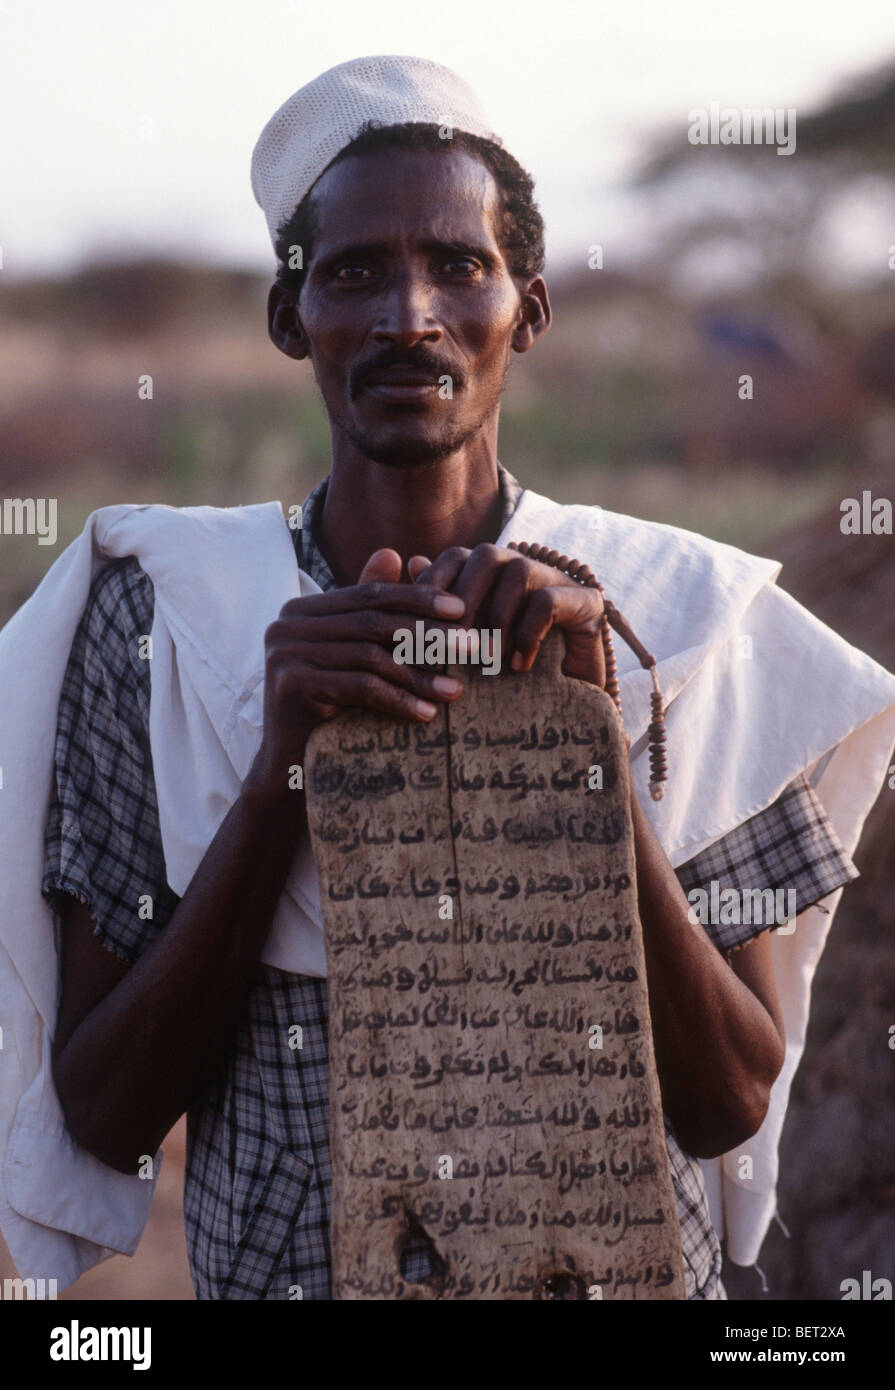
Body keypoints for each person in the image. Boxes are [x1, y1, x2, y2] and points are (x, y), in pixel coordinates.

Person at [4, 55, 894, 1301]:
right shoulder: (163, 617)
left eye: (458, 267)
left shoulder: (674, 620)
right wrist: (278, 777)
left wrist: (592, 757)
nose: (407, 313)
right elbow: (104, 1112)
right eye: (353, 270)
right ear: (288, 316)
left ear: (526, 309)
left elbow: (726, 1102)